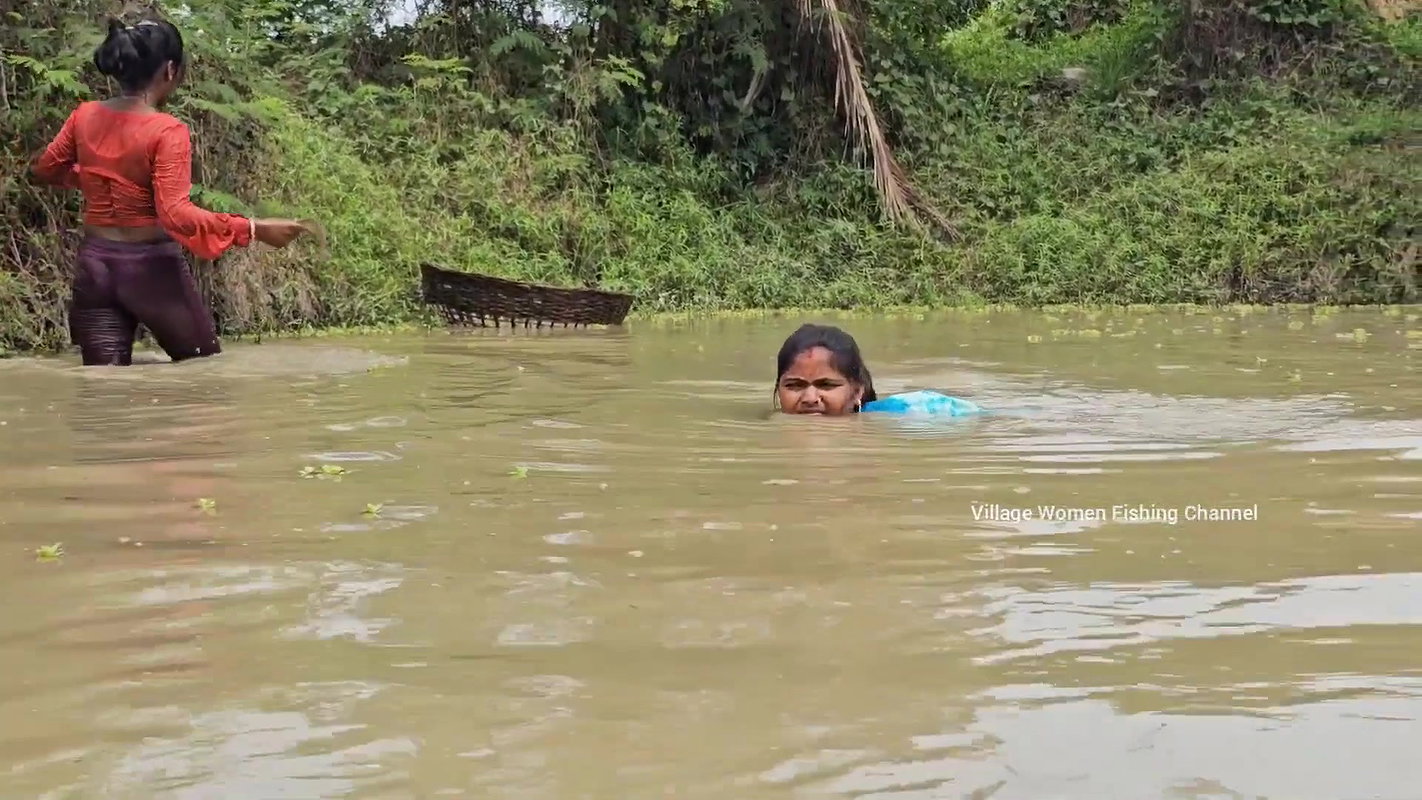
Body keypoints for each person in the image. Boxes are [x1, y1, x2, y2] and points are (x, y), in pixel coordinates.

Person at [29, 17, 312, 366]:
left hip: (95, 266)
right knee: (204, 371)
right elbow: (175, 213)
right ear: (170, 69)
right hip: (150, 269)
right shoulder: (166, 130)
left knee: (102, 388)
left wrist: (97, 180)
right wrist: (254, 228)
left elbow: (46, 168)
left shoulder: (83, 116)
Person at [773, 323, 983, 417]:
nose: (810, 398)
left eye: (826, 385)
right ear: (778, 388)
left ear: (857, 392)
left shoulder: (906, 414)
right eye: (794, 385)